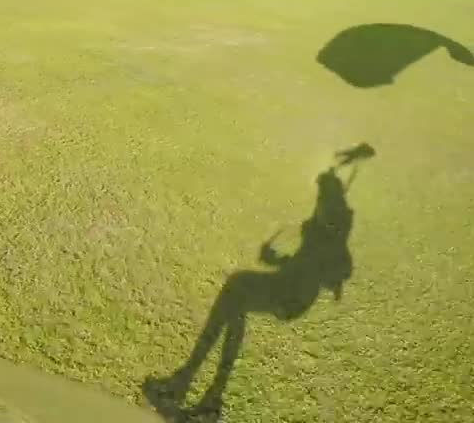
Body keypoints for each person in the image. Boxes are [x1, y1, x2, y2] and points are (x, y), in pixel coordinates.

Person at [143, 162, 357, 418]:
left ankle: (189, 384)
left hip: (291, 295)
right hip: (287, 286)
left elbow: (319, 271)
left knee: (236, 290)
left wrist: (286, 260)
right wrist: (275, 259)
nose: (318, 202)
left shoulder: (331, 234)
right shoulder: (325, 225)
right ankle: (204, 393)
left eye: (322, 197)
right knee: (236, 299)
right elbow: (307, 266)